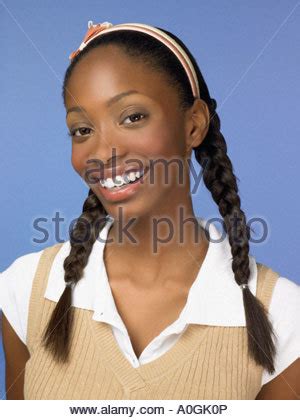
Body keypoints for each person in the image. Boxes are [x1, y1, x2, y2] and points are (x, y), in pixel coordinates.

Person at [0, 20, 299, 400]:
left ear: (193, 126)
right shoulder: (24, 291)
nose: (102, 152)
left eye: (132, 117)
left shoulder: (284, 317)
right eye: (82, 130)